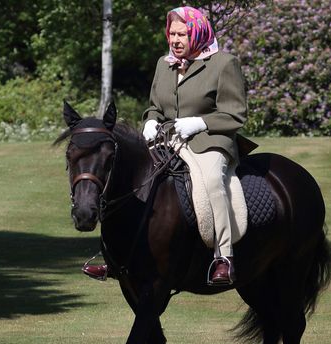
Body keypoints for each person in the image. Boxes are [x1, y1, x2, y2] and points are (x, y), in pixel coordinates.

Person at [83, 5, 250, 284]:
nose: (175, 40)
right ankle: (112, 257)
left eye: (182, 34)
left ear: (197, 32)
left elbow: (236, 114)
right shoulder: (165, 63)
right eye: (172, 34)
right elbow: (154, 108)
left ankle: (224, 257)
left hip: (209, 141)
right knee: (124, 177)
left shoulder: (224, 64)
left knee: (211, 182)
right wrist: (150, 121)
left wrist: (201, 123)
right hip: (167, 141)